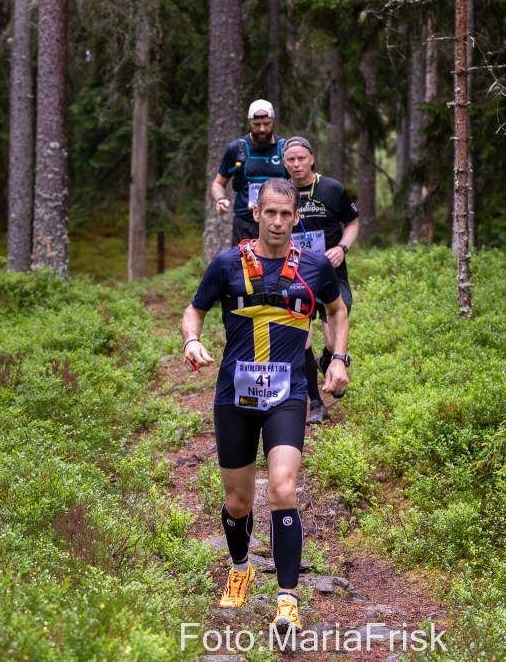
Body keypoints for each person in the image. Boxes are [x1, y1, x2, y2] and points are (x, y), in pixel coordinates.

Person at [181, 178, 350, 634]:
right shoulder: (226, 264)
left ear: (296, 218)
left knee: (282, 489)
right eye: (269, 213)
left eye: (286, 214)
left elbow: (336, 310)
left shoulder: (315, 266)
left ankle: (287, 601)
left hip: (287, 395)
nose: (277, 222)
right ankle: (240, 568)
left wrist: (338, 358)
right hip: (234, 397)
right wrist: (192, 340)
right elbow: (195, 309)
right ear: (256, 213)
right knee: (237, 502)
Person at [281, 137, 359, 425]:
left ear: (312, 158)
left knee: (330, 339)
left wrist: (342, 248)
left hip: (329, 273)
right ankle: (316, 403)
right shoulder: (280, 191)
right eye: (291, 160)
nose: (296, 164)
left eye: (301, 158)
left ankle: (329, 360)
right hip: (294, 274)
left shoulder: (331, 188)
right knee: (302, 338)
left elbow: (352, 222)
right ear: (284, 162)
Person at [210, 99, 289, 243]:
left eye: (267, 124)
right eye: (256, 125)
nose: (262, 129)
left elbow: (299, 182)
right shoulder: (236, 149)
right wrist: (221, 199)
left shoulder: (285, 149)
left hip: (278, 224)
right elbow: (218, 184)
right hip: (245, 225)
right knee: (243, 259)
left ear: (273, 120)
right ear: (249, 122)